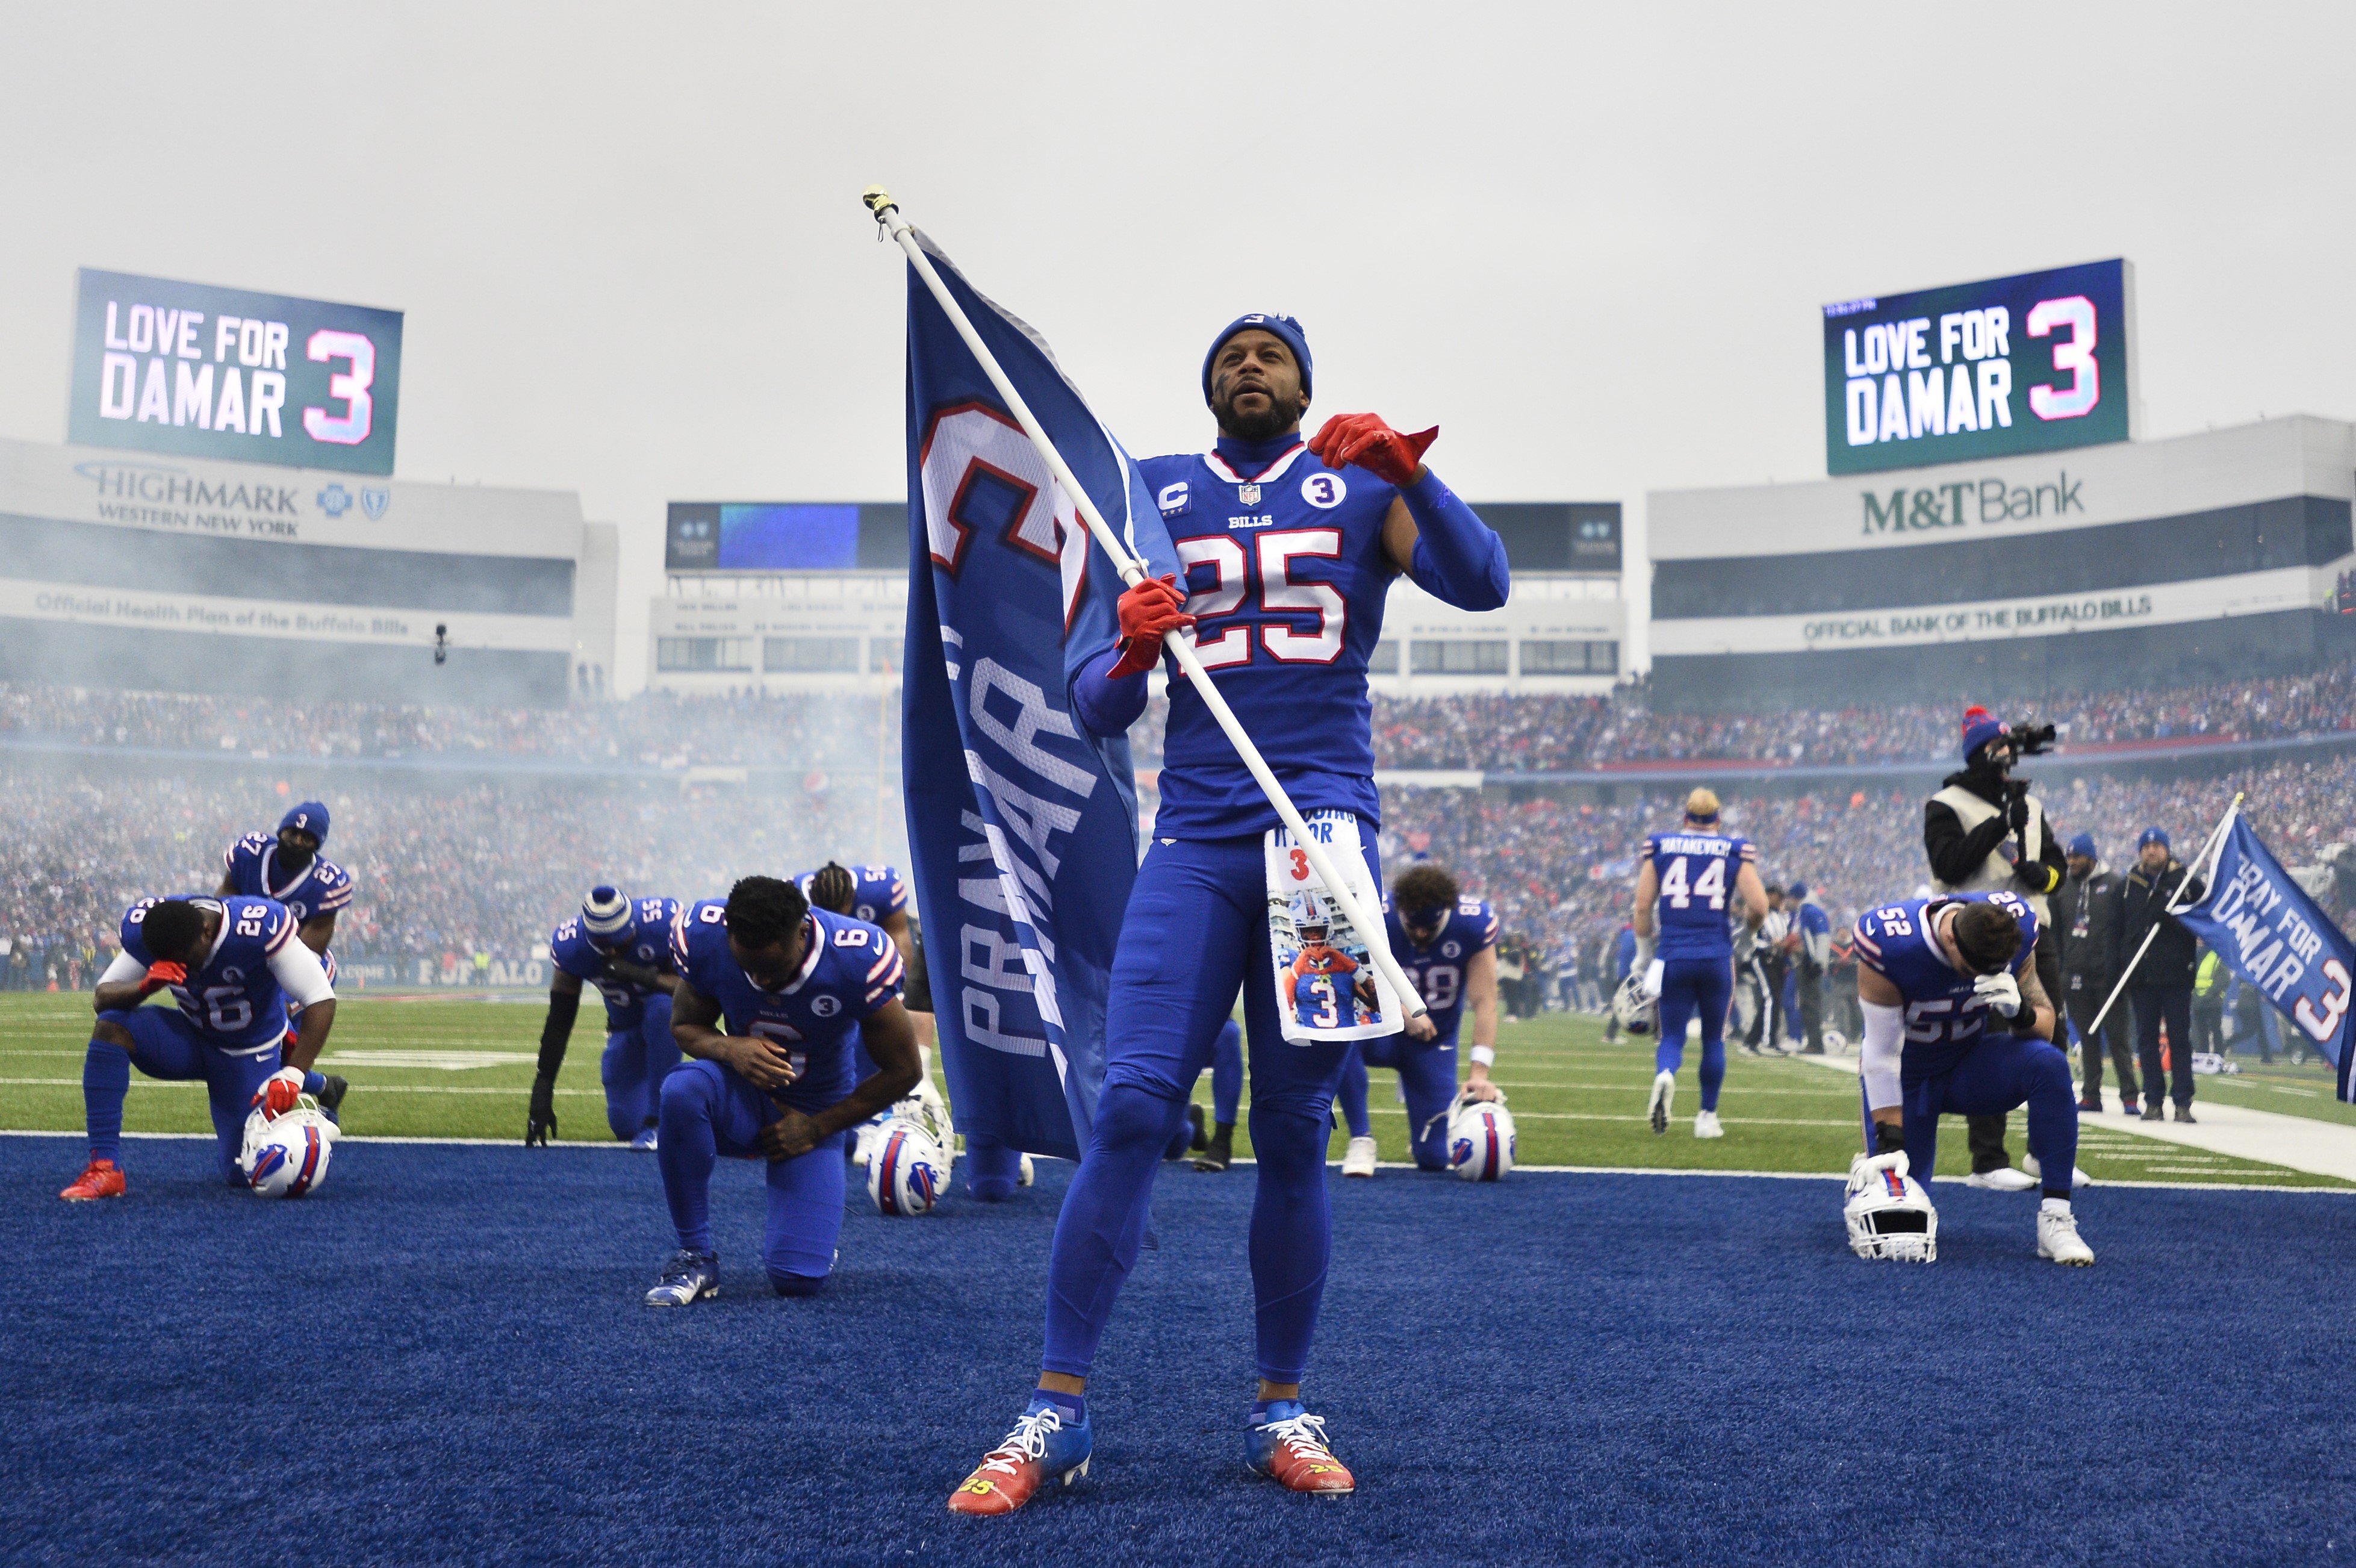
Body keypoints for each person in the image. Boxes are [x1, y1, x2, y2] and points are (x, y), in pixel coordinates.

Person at [948, 312, 1509, 1514]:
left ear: (1305, 383)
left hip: (1324, 838)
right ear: (1208, 384)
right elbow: (1094, 701)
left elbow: (1485, 583)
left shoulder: (1358, 482)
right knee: (1137, 1107)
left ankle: (1279, 1406)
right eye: (1229, 354)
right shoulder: (1146, 494)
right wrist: (1135, 653)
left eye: (1271, 354)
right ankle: (1055, 1409)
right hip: (1197, 837)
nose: (1248, 365)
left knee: (1297, 1130)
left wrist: (1413, 468)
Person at [645, 876, 921, 1304]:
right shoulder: (705, 935)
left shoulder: (856, 955)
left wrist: (817, 1128)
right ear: (729, 936)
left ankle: (810, 1229)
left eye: (772, 969)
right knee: (682, 1090)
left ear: (803, 932)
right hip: (744, 1098)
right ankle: (694, 1253)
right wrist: (730, 1048)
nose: (761, 979)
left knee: (798, 1280)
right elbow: (684, 1027)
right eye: (747, 966)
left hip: (813, 1113)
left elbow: (905, 1070)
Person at [1852, 889, 2091, 1264]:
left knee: (2049, 1064)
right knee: (1900, 1223)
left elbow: (2044, 1029)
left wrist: (2019, 1013)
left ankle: (2057, 1219)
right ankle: (1870, 1168)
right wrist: (1889, 1142)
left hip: (1969, 1064)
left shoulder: (2015, 929)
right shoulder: (1891, 943)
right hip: (1907, 1078)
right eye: (1970, 969)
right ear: (1950, 939)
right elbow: (1880, 1056)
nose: (1977, 977)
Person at [59, 894, 337, 1198]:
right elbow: (102, 998)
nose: (182, 967)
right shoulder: (154, 930)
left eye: (184, 957)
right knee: (112, 1026)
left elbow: (320, 997)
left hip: (247, 1053)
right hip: (189, 1038)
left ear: (207, 932)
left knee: (244, 1173)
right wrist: (144, 986)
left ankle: (316, 1083)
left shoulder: (257, 928)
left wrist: (296, 1072)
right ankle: (105, 1168)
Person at [1924, 706, 2066, 1191]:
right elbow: (1948, 864)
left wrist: (2038, 876)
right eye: (1997, 746)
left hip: (2033, 928)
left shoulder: (2032, 804)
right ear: (1978, 752)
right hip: (1977, 932)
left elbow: (2056, 870)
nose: (2006, 755)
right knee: (1987, 1037)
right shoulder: (1945, 803)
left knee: (2052, 1031)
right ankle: (1987, 1161)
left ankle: (2044, 1152)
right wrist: (1997, 825)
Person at [1335, 864, 1502, 1177]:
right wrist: (1404, 1011)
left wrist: (1479, 1073)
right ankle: (1362, 1138)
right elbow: (1349, 978)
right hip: (1379, 1030)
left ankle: (1418, 1096)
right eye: (1414, 925)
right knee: (1340, 1035)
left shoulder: (1472, 923)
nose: (1422, 934)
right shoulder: (1378, 916)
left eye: (1430, 925)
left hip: (1432, 1041)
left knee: (1434, 1157)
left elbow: (1486, 1002)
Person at [1635, 788, 1769, 1139]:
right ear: (1718, 820)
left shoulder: (1662, 846)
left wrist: (1642, 954)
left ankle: (1666, 1073)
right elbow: (1759, 906)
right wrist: (1749, 937)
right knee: (1714, 1039)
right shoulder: (1733, 849)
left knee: (1672, 1035)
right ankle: (1707, 1117)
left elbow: (1642, 906)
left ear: (1685, 818)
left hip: (1673, 955)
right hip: (1715, 955)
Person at [217, 800, 352, 1117]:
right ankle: (324, 1088)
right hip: (249, 965)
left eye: (308, 838)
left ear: (318, 844)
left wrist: (283, 996)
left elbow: (311, 948)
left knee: (282, 1054)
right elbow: (223, 905)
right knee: (249, 1051)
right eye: (293, 833)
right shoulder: (250, 854)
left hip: (303, 967)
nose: (298, 842)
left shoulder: (326, 881)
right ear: (281, 830)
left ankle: (317, 1110)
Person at [526, 887, 681, 1150]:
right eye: (603, 947)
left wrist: (638, 974)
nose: (612, 953)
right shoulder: (573, 946)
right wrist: (543, 1085)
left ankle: (659, 1119)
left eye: (620, 944)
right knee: (625, 1126)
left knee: (661, 1008)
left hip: (665, 1024)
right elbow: (560, 1019)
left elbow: (691, 989)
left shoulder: (662, 923)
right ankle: (677, 1110)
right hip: (624, 1028)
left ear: (633, 926)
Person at [2117, 827, 2206, 1123]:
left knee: (2180, 1040)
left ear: (2167, 849)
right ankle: (2153, 1100)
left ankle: (2183, 1102)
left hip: (2176, 974)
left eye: (2157, 846)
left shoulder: (2185, 883)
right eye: (2146, 846)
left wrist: (2172, 920)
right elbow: (2122, 928)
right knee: (2146, 1040)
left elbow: (2203, 921)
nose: (2151, 851)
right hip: (2141, 975)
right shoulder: (2131, 884)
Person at [2054, 833, 2139, 1115]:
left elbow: (2126, 930)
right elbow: (2056, 934)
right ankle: (2091, 1095)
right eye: (2069, 857)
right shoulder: (2063, 889)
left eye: (2076, 857)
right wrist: (2061, 969)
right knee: (2087, 1038)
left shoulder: (2115, 885)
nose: (2071, 862)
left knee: (2118, 1038)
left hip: (2108, 976)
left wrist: (2122, 970)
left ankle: (2130, 1096)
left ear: (2091, 858)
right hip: (2074, 975)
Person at [1741, 884, 1789, 1054]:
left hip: (1777, 958)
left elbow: (1783, 936)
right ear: (1769, 895)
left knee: (1771, 999)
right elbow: (1757, 931)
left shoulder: (1782, 915)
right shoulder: (1760, 911)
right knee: (1771, 998)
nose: (1781, 899)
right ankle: (1768, 1042)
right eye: (1778, 896)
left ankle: (1751, 1041)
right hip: (1763, 956)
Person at [1787, 882, 1832, 1054]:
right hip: (1807, 962)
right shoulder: (1808, 911)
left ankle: (1815, 1044)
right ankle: (1813, 1042)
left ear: (1795, 897)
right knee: (1807, 1004)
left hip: (1809, 964)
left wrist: (1818, 962)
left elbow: (1822, 937)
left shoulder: (1810, 911)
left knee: (1810, 1004)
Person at [1601, 921, 1638, 1043]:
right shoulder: (1631, 935)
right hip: (1631, 975)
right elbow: (1629, 955)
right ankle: (1659, 1036)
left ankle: (1609, 1034)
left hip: (1624, 974)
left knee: (1622, 1005)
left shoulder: (1625, 935)